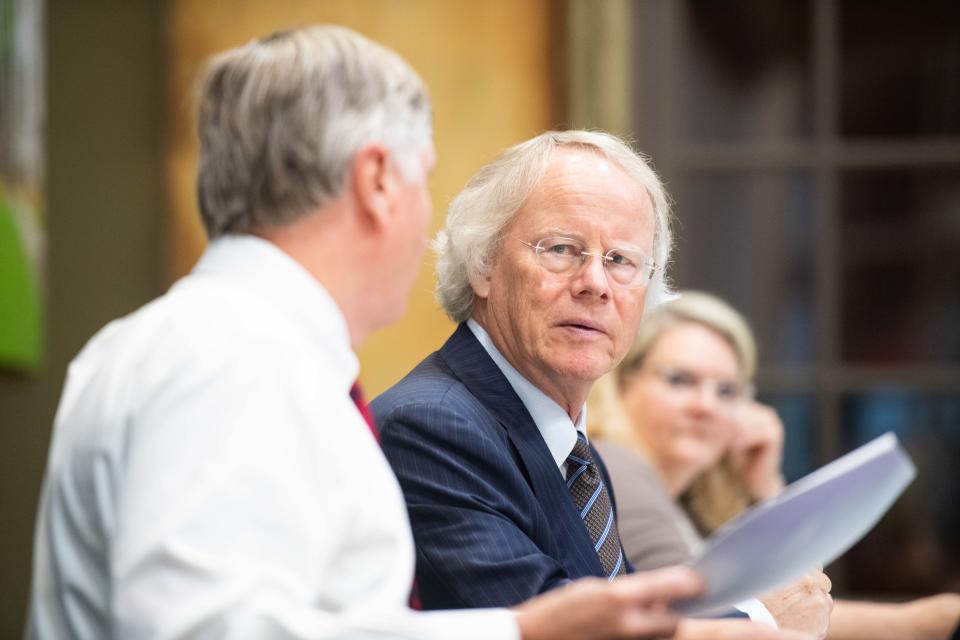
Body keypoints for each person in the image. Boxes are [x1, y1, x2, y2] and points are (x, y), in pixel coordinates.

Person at [25, 25, 709, 640]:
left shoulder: (212, 342)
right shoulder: (232, 356)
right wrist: (519, 633)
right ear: (379, 179)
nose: (428, 226)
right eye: (426, 180)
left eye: (622, 262)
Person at [373, 130, 825, 639]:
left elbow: (622, 615)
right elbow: (560, 630)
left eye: (621, 260)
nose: (596, 283)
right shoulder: (432, 426)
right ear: (483, 266)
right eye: (562, 249)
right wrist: (766, 620)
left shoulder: (573, 453)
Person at [587, 289, 960, 640]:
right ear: (621, 382)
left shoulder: (681, 499)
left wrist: (764, 487)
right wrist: (919, 623)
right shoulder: (617, 466)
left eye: (726, 391)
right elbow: (711, 616)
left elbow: (789, 604)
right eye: (680, 380)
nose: (706, 406)